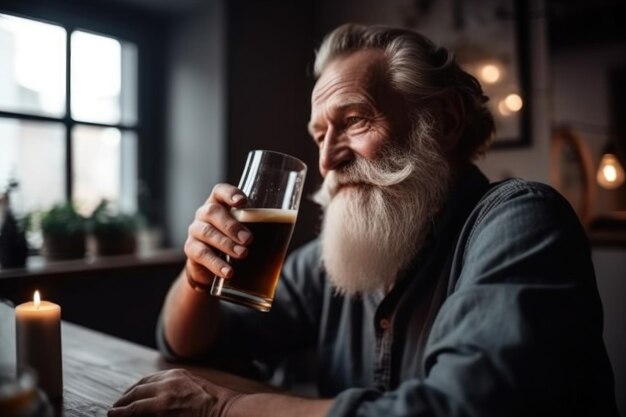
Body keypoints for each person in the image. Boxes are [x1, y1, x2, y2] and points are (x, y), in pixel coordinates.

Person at [108, 23, 619, 417]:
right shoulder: (331, 262)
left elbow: (460, 409)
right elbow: (191, 345)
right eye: (318, 134)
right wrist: (197, 278)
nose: (327, 159)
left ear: (441, 122)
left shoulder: (522, 219)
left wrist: (224, 409)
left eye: (352, 121)